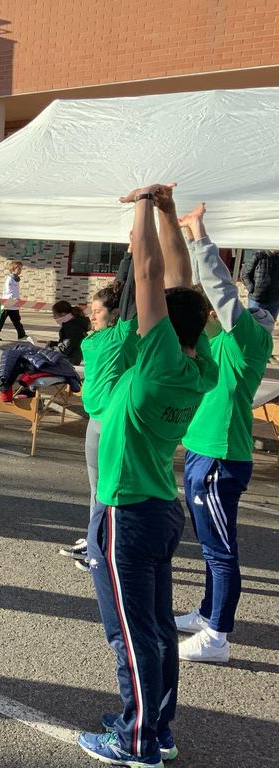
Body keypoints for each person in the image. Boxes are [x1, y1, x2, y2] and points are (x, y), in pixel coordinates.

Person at [77, 184, 217, 768]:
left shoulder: (158, 360)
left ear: (163, 328)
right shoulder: (199, 368)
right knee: (156, 627)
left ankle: (137, 742)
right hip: (159, 506)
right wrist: (165, 214)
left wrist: (143, 209)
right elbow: (177, 285)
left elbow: (150, 269)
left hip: (129, 509)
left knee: (130, 634)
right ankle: (156, 727)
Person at [174, 204, 274, 664]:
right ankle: (207, 612)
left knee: (220, 548)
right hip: (201, 452)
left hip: (221, 458)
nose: (234, 307)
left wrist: (199, 236)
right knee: (211, 544)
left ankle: (217, 636)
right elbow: (196, 295)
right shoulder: (223, 339)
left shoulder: (250, 339)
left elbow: (218, 290)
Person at [58, 252, 137, 571]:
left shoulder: (123, 335)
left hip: (114, 425)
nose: (91, 316)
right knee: (96, 488)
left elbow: (130, 292)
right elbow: (120, 285)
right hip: (95, 423)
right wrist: (128, 253)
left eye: (97, 312)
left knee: (110, 489)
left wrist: (136, 254)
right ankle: (96, 540)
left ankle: (104, 547)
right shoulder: (98, 337)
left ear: (115, 315)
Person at [239, 248, 279, 322]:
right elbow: (244, 274)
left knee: (269, 326)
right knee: (252, 324)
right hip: (257, 300)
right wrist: (252, 288)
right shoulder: (259, 255)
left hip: (274, 301)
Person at [48, 300, 91, 365]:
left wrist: (51, 349)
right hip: (72, 356)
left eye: (55, 315)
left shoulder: (72, 327)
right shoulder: (73, 324)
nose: (54, 317)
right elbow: (68, 343)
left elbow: (66, 349)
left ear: (63, 314)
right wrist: (53, 344)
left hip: (71, 359)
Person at [0, 260, 27, 340]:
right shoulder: (10, 279)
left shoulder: (16, 279)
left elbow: (15, 291)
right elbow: (9, 291)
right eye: (19, 268)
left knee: (17, 321)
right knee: (0, 322)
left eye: (21, 268)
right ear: (13, 269)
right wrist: (15, 299)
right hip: (8, 305)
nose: (20, 270)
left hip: (14, 305)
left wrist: (17, 300)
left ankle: (21, 335)